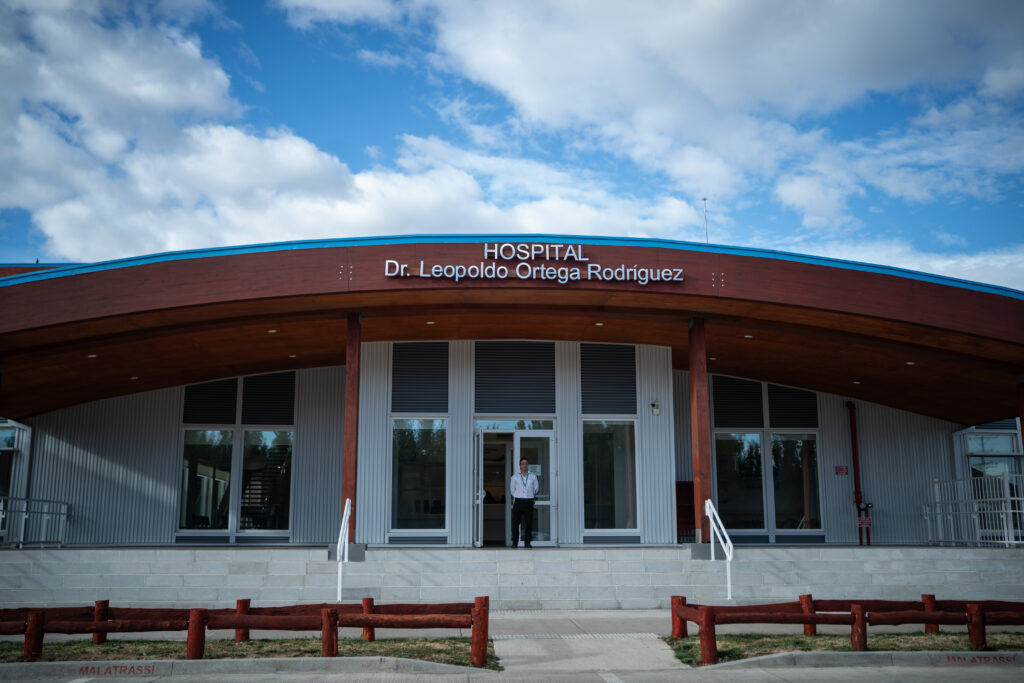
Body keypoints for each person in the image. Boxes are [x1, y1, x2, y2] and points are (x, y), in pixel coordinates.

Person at [509, 457, 539, 548]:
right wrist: (519, 495)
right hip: (518, 501)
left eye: (526, 463)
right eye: (522, 463)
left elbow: (536, 489)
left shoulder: (533, 476)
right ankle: (514, 543)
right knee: (515, 523)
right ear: (520, 466)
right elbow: (512, 490)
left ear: (528, 465)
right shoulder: (515, 477)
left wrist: (528, 495)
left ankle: (527, 543)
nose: (524, 465)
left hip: (529, 502)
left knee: (528, 524)